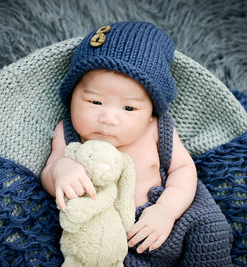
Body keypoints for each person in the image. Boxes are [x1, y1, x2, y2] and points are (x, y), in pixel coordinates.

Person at [41, 21, 197, 254]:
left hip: (156, 220)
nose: (109, 118)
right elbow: (48, 172)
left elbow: (183, 169)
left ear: (150, 111)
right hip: (94, 231)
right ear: (72, 93)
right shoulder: (68, 131)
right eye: (95, 102)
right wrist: (60, 170)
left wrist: (166, 210)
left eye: (129, 108)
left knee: (205, 232)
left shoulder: (156, 128)